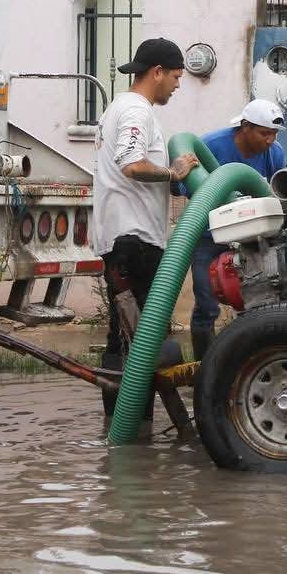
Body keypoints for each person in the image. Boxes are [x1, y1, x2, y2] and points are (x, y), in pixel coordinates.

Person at [92, 37, 200, 380]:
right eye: (176, 77)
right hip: (134, 240)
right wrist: (174, 172)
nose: (178, 85)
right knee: (146, 339)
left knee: (124, 336)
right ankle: (132, 425)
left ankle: (124, 429)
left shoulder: (119, 107)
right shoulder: (137, 110)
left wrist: (169, 182)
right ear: (157, 72)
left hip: (121, 238)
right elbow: (132, 165)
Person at [186, 99, 287, 360]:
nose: (270, 140)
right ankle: (204, 368)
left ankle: (251, 361)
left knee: (258, 300)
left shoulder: (275, 154)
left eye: (274, 134)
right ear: (245, 127)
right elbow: (184, 187)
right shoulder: (211, 145)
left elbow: (274, 195)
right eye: (265, 133)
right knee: (207, 304)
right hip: (209, 235)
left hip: (252, 237)